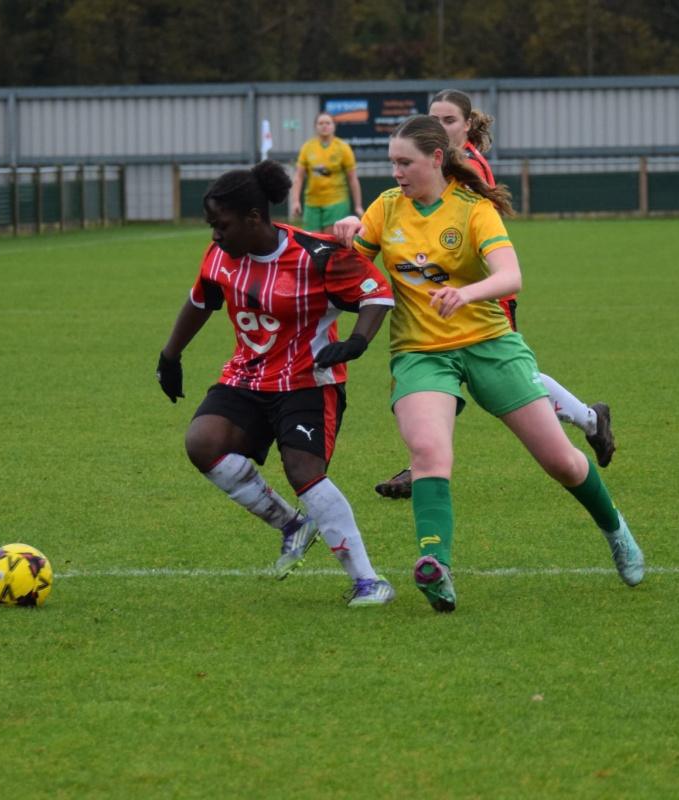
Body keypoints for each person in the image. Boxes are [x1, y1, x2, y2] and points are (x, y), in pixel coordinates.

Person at [333, 115, 644, 612]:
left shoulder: (473, 210)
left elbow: (511, 276)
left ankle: (616, 530)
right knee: (428, 454)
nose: (396, 172)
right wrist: (347, 233)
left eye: (404, 162)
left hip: (490, 345)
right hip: (420, 353)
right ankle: (436, 566)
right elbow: (348, 266)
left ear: (436, 159)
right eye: (391, 162)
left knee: (561, 461)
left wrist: (467, 293)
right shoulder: (386, 209)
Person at [156, 160, 397, 606]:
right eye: (211, 225)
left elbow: (377, 292)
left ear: (253, 218)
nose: (214, 235)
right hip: (246, 376)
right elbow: (199, 301)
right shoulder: (221, 256)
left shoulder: (316, 254)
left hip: (308, 380)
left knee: (303, 471)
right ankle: (292, 525)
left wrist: (358, 340)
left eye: (221, 225)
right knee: (202, 443)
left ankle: (369, 581)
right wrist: (170, 355)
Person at [372, 89, 615, 500]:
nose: (442, 127)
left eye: (450, 120)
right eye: (435, 119)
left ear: (467, 125)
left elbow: (474, 238)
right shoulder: (422, 174)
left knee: (518, 384)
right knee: (442, 381)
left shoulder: (468, 170)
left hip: (482, 296)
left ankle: (589, 420)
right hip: (446, 296)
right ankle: (424, 464)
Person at [290, 112, 364, 232]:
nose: (324, 126)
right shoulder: (307, 147)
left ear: (334, 126)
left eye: (328, 123)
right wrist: (295, 201)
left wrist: (358, 206)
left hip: (336, 202)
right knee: (311, 241)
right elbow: (298, 177)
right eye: (320, 123)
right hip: (312, 202)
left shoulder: (343, 148)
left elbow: (353, 179)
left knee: (329, 240)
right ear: (315, 126)